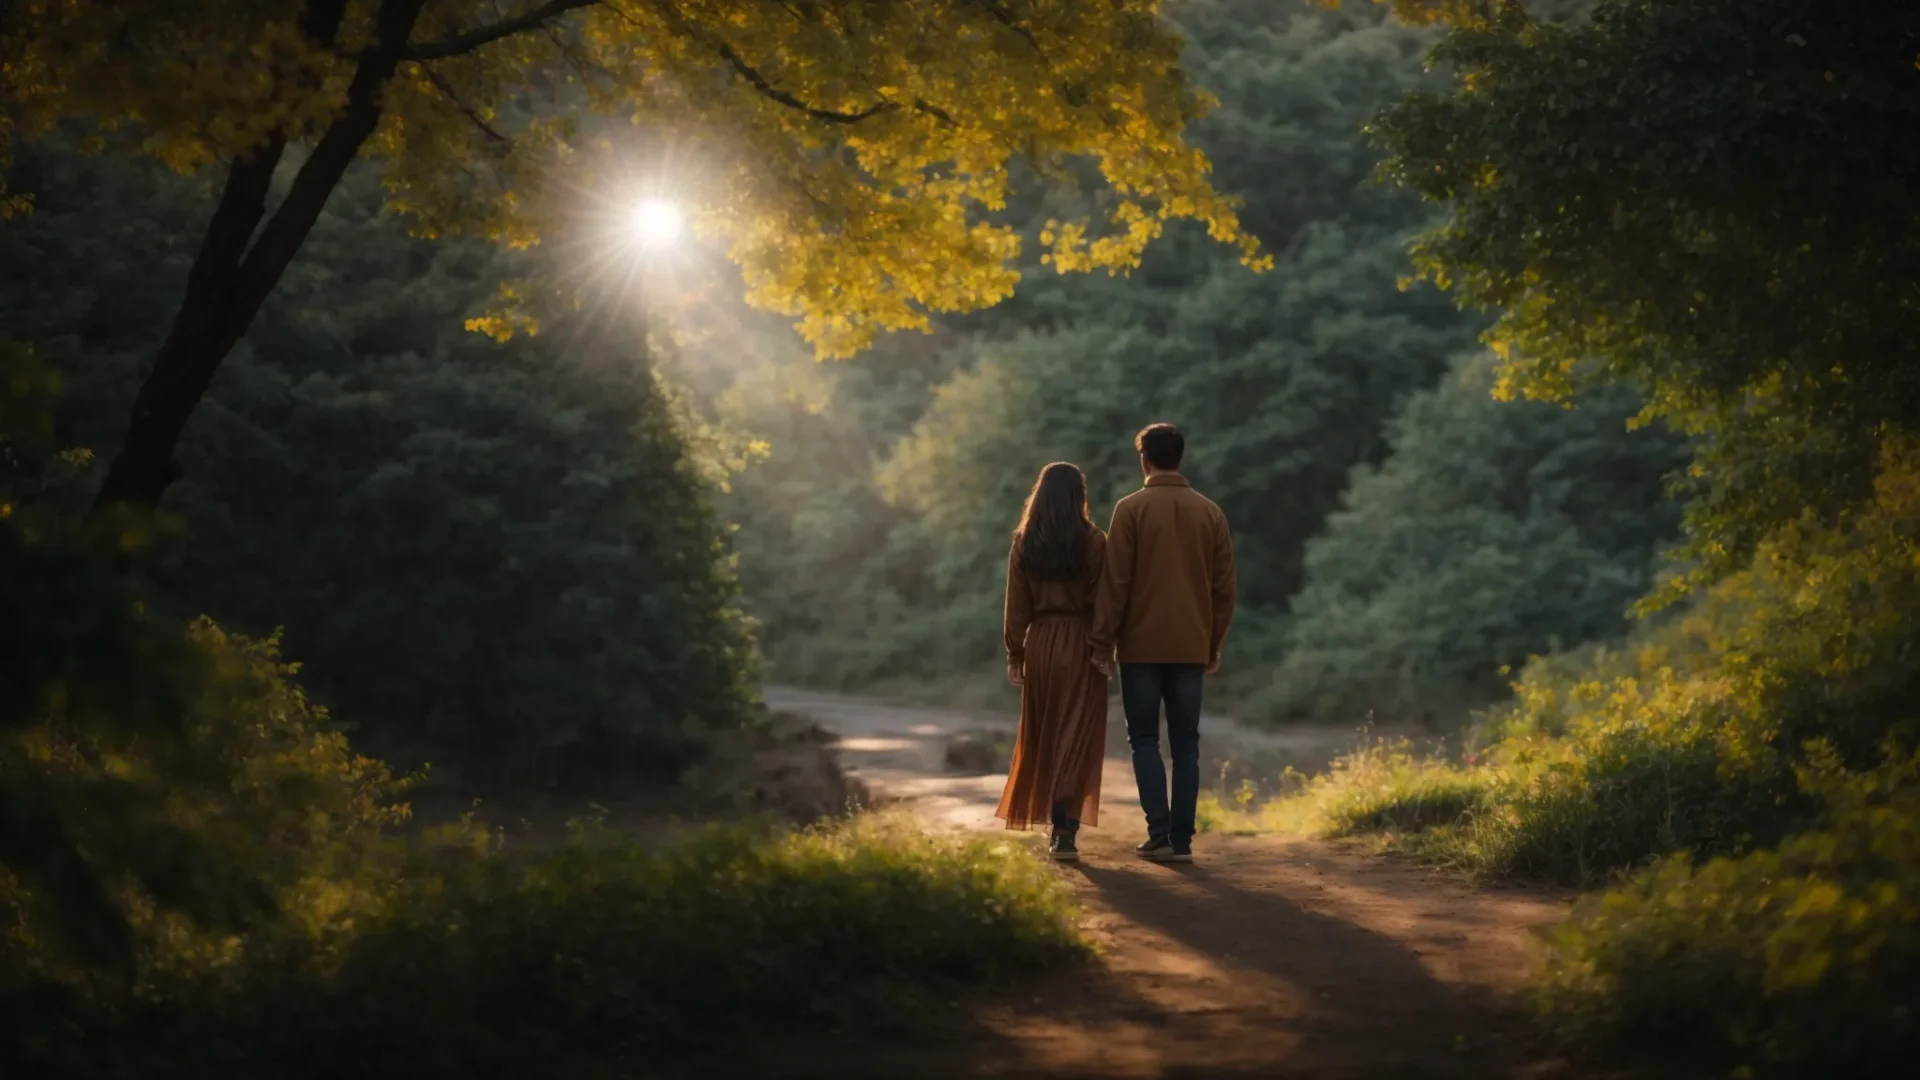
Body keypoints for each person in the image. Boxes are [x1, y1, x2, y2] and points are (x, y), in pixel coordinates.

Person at [1090, 423, 1236, 863]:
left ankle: (1158, 832)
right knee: (1187, 743)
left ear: (1144, 459)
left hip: (1139, 647)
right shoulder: (1210, 513)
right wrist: (1213, 641)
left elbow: (1115, 583)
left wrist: (1101, 643)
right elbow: (1224, 588)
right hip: (1191, 645)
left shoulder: (1130, 509)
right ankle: (1183, 840)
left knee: (1145, 740)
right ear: (1181, 458)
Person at [996, 461, 1111, 861]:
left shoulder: (1025, 541)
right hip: (1080, 644)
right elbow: (1104, 602)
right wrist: (1101, 648)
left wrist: (1015, 653)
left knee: (1044, 734)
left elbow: (1017, 606)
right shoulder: (1095, 540)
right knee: (1075, 735)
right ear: (1080, 496)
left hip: (1042, 644)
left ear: (1039, 495)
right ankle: (1065, 831)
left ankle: (1053, 824)